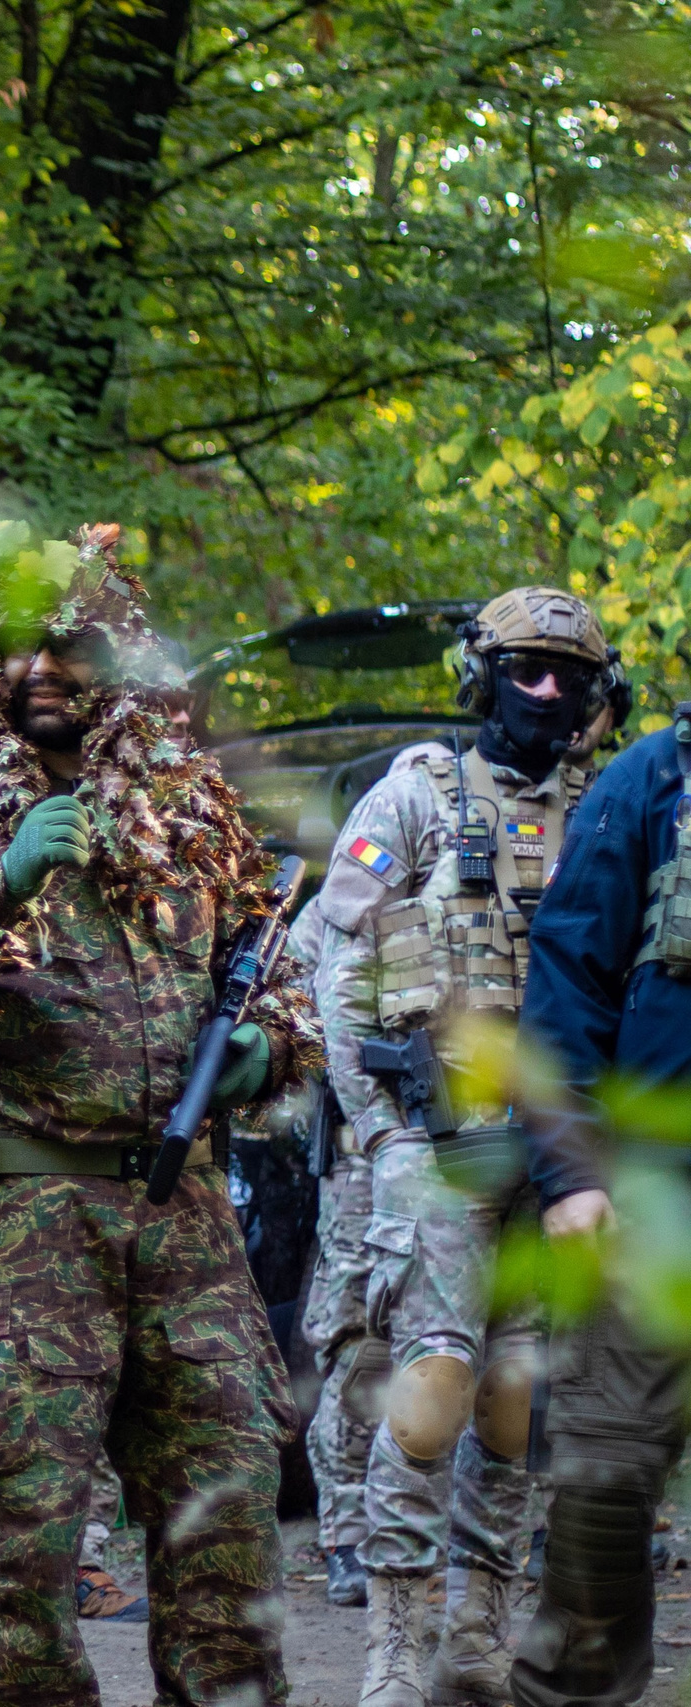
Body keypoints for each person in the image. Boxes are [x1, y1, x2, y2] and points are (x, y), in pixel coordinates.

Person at [0, 526, 315, 1707]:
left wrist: (265, 1049)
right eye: (20, 647)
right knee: (24, 1554)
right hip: (22, 1222)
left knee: (229, 1518)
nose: (44, 668)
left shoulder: (188, 812)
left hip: (185, 1219)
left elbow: (275, 981)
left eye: (73, 646)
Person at [317, 588, 623, 1707]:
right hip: (436, 1142)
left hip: (560, 1158)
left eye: (567, 676)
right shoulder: (414, 794)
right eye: (524, 669)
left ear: (593, 697)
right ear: (481, 676)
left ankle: (477, 1638)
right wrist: (379, 1132)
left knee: (517, 1396)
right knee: (433, 1382)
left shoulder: (608, 811)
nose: (543, 691)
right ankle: (395, 1645)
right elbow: (339, 973)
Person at [508, 693, 691, 1707]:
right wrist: (571, 1172)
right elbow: (566, 981)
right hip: (650, 1195)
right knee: (605, 1487)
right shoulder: (651, 781)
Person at [279, 894, 383, 1610]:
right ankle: (347, 1532)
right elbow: (283, 1001)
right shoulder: (357, 884)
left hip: (487, 1145)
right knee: (356, 1339)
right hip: (363, 1155)